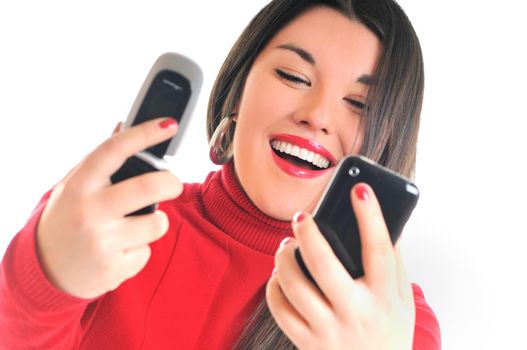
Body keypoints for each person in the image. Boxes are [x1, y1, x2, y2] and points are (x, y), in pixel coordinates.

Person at [0, 0, 441, 348]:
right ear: (237, 94)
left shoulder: (397, 325)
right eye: (293, 75)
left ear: (387, 143)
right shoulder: (105, 227)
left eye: (359, 104)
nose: (317, 116)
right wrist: (42, 285)